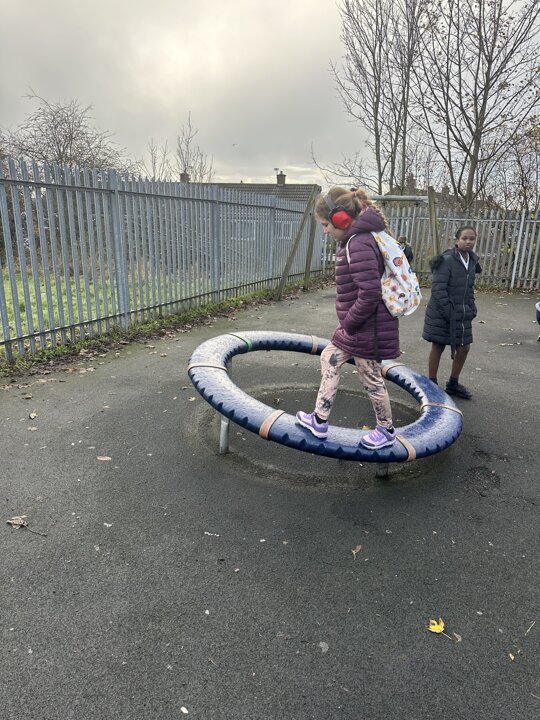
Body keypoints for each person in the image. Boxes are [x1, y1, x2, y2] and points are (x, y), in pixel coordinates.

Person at [295, 187, 400, 449]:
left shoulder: (358, 243)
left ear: (341, 220)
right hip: (357, 326)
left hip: (367, 328)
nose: (325, 231)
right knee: (329, 356)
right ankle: (319, 419)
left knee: (371, 378)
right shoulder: (353, 241)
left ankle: (386, 430)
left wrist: (349, 323)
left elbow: (370, 293)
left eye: (325, 225)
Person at [422, 225, 481, 399]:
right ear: (457, 241)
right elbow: (438, 290)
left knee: (464, 348)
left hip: (462, 314)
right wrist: (449, 312)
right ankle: (432, 384)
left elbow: (469, 289)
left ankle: (453, 384)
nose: (468, 241)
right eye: (464, 238)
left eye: (471, 239)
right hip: (442, 312)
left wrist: (471, 308)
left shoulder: (472, 262)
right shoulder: (446, 261)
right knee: (438, 345)